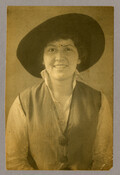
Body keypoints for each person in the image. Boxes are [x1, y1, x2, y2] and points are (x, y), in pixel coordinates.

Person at [6, 13, 113, 170]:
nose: (59, 57)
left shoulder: (99, 100)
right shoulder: (23, 102)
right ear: (42, 59)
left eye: (68, 49)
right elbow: (13, 161)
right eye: (51, 49)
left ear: (79, 57)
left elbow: (105, 160)